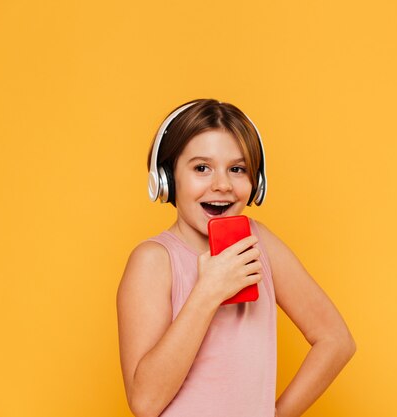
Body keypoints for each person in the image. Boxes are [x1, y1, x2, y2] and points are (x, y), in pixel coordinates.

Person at [116, 99, 356, 417]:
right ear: (167, 178)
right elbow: (145, 403)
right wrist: (208, 292)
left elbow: (336, 340)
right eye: (202, 168)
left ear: (255, 183)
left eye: (237, 169)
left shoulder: (261, 245)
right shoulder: (153, 261)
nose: (223, 185)